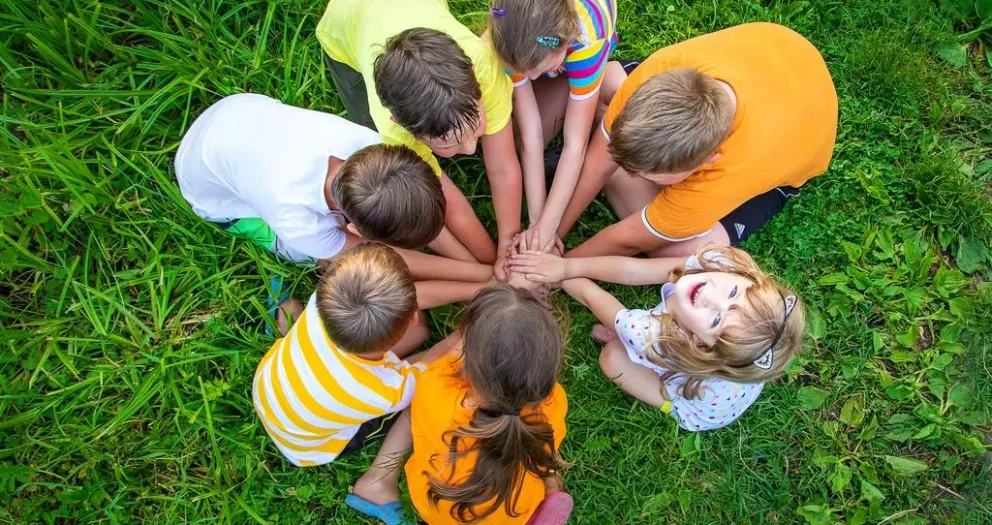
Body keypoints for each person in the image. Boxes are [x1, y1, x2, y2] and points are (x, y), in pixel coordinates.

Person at [175, 93, 492, 334]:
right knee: (303, 254)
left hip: (234, 117)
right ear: (358, 232)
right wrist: (484, 276)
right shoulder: (296, 219)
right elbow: (384, 257)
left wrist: (480, 270)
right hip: (211, 191)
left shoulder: (366, 146)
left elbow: (409, 208)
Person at [554, 22, 838, 258]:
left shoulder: (729, 174)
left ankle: (616, 171)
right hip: (778, 56)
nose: (630, 170)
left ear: (708, 160)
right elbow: (599, 162)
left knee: (679, 253)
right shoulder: (659, 69)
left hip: (784, 143)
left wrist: (562, 264)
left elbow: (630, 240)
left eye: (649, 173)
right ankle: (624, 175)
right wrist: (554, 234)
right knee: (608, 80)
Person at [316, 0, 525, 276]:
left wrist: (507, 252)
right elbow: (448, 205)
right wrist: (488, 263)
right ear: (403, 125)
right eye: (449, 145)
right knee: (374, 147)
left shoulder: (482, 63)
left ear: (473, 77)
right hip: (344, 26)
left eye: (475, 129)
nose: (471, 148)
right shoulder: (392, 130)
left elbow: (502, 167)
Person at [252, 242, 496, 468]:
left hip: (272, 386)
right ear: (413, 316)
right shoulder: (383, 393)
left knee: (419, 336)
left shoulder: (321, 302)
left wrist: (484, 290)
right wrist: (480, 315)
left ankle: (286, 320)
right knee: (430, 376)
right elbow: (435, 365)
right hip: (312, 448)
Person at [510, 246, 804, 431]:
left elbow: (592, 297)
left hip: (700, 405)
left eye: (715, 320)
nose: (711, 296)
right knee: (624, 341)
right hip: (730, 379)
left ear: (700, 344)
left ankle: (667, 401)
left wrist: (553, 272)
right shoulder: (722, 262)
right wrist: (567, 266)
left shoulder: (656, 337)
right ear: (747, 278)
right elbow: (636, 270)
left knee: (613, 358)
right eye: (733, 293)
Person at [485, 0, 623, 248]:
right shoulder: (508, 36)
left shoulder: (589, 38)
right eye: (524, 72)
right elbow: (531, 134)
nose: (533, 79)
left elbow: (575, 144)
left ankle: (587, 74)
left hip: (582, 41)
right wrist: (536, 220)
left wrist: (547, 228)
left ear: (566, 42)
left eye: (539, 70)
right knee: (517, 142)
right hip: (530, 44)